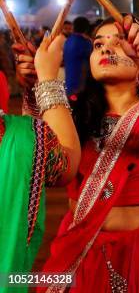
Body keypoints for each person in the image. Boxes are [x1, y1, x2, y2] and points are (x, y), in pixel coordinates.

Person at [40, 16, 139, 292]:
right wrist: (34, 83)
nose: (106, 50)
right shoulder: (73, 112)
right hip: (80, 247)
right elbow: (48, 168)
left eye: (118, 43)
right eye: (98, 44)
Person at [1, 35, 80, 289]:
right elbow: (62, 163)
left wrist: (34, 90)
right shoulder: (23, 137)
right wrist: (47, 80)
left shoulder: (22, 137)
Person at [63, 16, 92, 96]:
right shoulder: (85, 42)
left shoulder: (68, 40)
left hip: (69, 82)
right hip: (80, 85)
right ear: (86, 28)